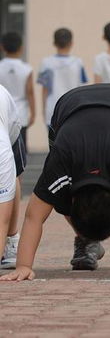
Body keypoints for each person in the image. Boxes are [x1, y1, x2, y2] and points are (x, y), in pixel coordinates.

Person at [0, 84, 110, 283]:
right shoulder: (62, 158)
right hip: (69, 107)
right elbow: (34, 216)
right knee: (55, 194)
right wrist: (23, 266)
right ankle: (87, 241)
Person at [37, 28, 87, 128]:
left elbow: (45, 90)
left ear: (54, 43)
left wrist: (44, 111)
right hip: (73, 109)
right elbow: (82, 89)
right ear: (71, 43)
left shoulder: (46, 63)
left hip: (52, 109)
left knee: (53, 142)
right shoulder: (78, 63)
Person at [0, 85, 26, 270]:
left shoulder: (2, 153)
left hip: (10, 122)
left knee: (13, 175)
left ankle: (12, 242)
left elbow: (2, 219)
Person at [0, 32, 35, 146]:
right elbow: (30, 92)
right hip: (21, 115)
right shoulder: (26, 69)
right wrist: (33, 113)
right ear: (21, 47)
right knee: (20, 151)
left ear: (2, 47)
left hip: (2, 114)